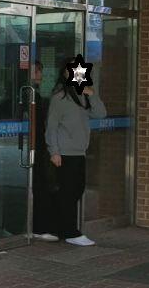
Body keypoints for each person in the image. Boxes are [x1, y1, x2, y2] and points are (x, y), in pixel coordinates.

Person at [45, 58, 107, 246]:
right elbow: (51, 127)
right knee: (69, 192)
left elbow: (101, 113)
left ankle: (59, 228)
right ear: (66, 73)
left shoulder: (82, 95)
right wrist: (54, 151)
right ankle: (70, 232)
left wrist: (91, 94)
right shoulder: (59, 98)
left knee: (75, 190)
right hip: (64, 153)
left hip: (79, 152)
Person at [30, 61, 60, 242]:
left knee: (42, 185)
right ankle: (38, 227)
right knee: (40, 185)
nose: (40, 73)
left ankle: (39, 226)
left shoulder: (37, 95)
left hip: (39, 147)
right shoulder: (30, 94)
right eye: (37, 70)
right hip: (38, 147)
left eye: (40, 70)